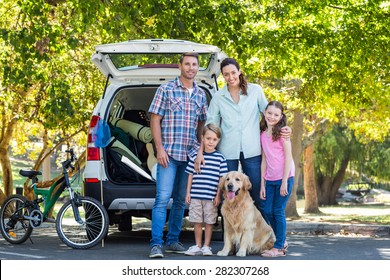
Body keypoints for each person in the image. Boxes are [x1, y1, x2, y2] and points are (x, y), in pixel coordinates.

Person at [195, 58, 290, 218]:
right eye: (226, 74)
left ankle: (265, 237)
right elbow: (210, 126)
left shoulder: (255, 91)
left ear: (239, 71)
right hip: (227, 152)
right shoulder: (219, 97)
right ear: (222, 76)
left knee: (259, 194)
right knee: (228, 196)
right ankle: (230, 240)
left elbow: (270, 113)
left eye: (233, 72)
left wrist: (285, 128)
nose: (230, 77)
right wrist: (201, 151)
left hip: (252, 150)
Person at [148, 52, 208, 258]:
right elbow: (155, 120)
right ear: (180, 66)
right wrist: (159, 148)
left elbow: (202, 125)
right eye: (187, 64)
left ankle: (172, 240)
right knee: (162, 199)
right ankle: (156, 244)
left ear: (198, 68)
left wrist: (200, 152)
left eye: (194, 64)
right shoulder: (166, 89)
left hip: (189, 155)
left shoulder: (201, 94)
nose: (191, 67)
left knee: (181, 201)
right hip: (169, 154)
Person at [184, 124, 228, 256]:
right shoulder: (195, 158)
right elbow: (190, 175)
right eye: (208, 138)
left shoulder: (220, 158)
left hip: (210, 197)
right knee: (197, 221)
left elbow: (221, 180)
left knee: (209, 222)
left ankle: (206, 246)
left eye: (214, 139)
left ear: (218, 140)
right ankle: (197, 245)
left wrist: (218, 196)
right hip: (196, 195)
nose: (211, 142)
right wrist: (188, 193)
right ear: (202, 138)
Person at [259, 101, 295, 257]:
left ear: (281, 117)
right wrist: (262, 184)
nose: (272, 117)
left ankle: (278, 247)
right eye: (269, 113)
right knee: (267, 211)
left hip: (284, 177)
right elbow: (264, 160)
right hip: (270, 178)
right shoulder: (262, 134)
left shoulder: (283, 134)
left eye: (276, 114)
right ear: (265, 112)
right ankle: (282, 240)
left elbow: (288, 158)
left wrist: (284, 181)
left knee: (278, 211)